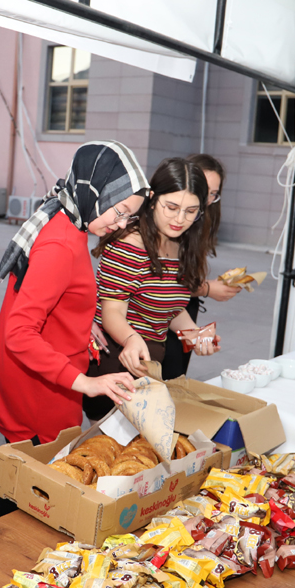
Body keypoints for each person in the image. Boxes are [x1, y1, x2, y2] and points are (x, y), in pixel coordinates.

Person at [0, 141, 148, 517]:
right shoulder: (62, 241)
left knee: (27, 484)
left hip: (38, 373)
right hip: (37, 386)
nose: (121, 224)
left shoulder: (69, 219)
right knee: (28, 496)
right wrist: (88, 383)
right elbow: (20, 332)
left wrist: (81, 322)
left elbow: (49, 295)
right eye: (120, 211)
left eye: (129, 218)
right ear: (95, 191)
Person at [83, 158, 220, 422]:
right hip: (114, 361)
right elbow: (112, 313)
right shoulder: (129, 245)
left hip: (150, 360)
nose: (180, 219)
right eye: (172, 207)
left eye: (191, 211)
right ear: (154, 198)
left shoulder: (182, 245)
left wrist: (196, 335)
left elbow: (169, 306)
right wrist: (132, 339)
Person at [159, 153, 242, 380]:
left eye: (214, 194)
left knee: (174, 379)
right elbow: (163, 288)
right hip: (145, 336)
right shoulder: (163, 230)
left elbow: (170, 297)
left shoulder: (200, 219)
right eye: (204, 189)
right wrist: (207, 288)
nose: (206, 199)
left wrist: (193, 334)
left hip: (178, 313)